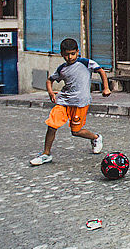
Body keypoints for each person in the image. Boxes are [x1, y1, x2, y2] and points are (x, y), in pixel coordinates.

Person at [29, 38, 111, 166]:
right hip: (63, 101)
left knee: (76, 131)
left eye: (73, 53)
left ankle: (96, 138)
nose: (70, 57)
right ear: (62, 54)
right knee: (52, 125)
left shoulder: (85, 63)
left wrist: (106, 88)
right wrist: (51, 93)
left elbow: (101, 71)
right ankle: (46, 154)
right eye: (67, 54)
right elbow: (50, 80)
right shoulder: (62, 69)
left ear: (78, 51)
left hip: (80, 103)